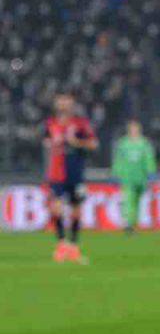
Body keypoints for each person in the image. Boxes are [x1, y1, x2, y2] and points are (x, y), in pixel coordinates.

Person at [44, 93, 97, 263]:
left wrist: (76, 143)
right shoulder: (51, 123)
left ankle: (73, 246)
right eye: (61, 101)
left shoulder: (80, 124)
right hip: (56, 173)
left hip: (75, 172)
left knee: (76, 210)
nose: (63, 104)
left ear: (72, 104)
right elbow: (46, 141)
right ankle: (61, 244)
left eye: (67, 101)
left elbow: (93, 144)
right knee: (56, 208)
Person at [112, 119, 157, 234]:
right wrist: (116, 173)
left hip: (141, 178)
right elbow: (118, 160)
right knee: (128, 200)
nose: (134, 131)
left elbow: (149, 159)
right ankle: (128, 223)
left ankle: (133, 224)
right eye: (132, 128)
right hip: (127, 178)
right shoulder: (123, 144)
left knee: (137, 202)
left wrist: (151, 172)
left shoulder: (144, 144)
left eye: (135, 128)